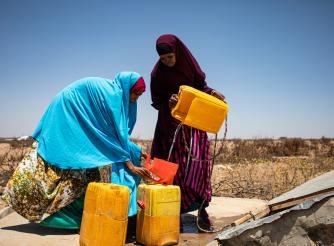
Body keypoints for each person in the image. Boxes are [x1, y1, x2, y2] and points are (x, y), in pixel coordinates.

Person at [2, 71, 151, 229]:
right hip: (68, 113)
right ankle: (23, 197)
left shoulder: (116, 95)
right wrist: (130, 165)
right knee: (60, 164)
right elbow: (112, 137)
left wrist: (135, 150)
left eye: (139, 96)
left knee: (87, 172)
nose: (135, 99)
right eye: (135, 94)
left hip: (77, 114)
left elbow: (115, 136)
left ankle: (74, 217)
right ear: (127, 88)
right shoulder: (113, 98)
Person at [150, 34, 225, 228]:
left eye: (170, 57)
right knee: (173, 170)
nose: (167, 62)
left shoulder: (190, 66)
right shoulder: (157, 74)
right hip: (171, 129)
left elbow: (202, 88)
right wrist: (169, 102)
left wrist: (213, 93)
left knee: (198, 168)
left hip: (194, 126)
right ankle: (173, 215)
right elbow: (157, 101)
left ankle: (202, 210)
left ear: (178, 53)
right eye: (163, 59)